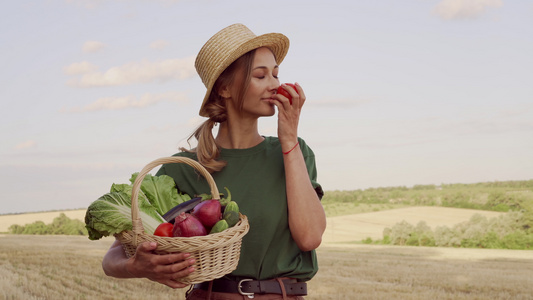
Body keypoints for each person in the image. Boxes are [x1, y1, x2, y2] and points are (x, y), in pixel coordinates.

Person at [102, 23, 326, 300]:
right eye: (260, 75)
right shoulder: (183, 168)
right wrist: (136, 267)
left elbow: (310, 237)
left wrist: (289, 140)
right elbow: (112, 258)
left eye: (276, 74)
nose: (275, 84)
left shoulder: (293, 152)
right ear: (225, 88)